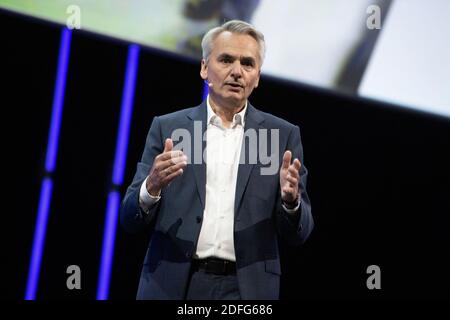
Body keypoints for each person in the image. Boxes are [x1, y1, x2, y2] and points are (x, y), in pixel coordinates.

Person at [120, 20, 313, 300]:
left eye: (247, 64)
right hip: (172, 283)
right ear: (204, 68)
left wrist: (291, 202)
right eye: (226, 60)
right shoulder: (170, 129)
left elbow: (299, 233)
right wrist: (151, 187)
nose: (237, 71)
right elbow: (129, 218)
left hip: (246, 290)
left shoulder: (279, 136)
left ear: (257, 76)